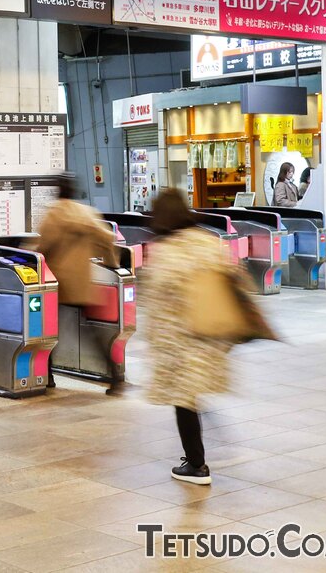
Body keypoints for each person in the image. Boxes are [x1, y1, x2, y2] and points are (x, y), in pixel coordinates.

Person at [141, 188, 239, 486]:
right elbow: (232, 281)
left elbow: (155, 301)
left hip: (182, 342)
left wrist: (154, 342)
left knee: (184, 400)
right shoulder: (209, 242)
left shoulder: (167, 251)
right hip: (211, 333)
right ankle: (196, 454)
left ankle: (197, 466)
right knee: (192, 396)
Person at [35, 175, 117, 389]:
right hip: (82, 281)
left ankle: (48, 377)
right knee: (92, 330)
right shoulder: (85, 213)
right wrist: (112, 263)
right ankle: (114, 375)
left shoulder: (54, 214)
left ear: (57, 191)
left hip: (59, 282)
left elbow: (44, 246)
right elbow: (107, 238)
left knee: (50, 330)